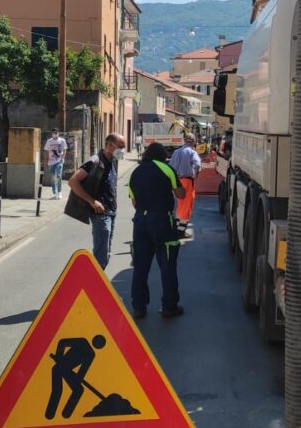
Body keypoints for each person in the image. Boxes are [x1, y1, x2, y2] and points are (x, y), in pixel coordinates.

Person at [127, 143, 186, 320]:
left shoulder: (135, 172)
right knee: (167, 265)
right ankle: (169, 306)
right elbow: (181, 194)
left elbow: (134, 202)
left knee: (140, 267)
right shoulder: (167, 169)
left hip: (140, 222)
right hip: (162, 221)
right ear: (162, 155)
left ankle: (139, 307)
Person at [67, 132, 126, 269]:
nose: (122, 150)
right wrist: (92, 201)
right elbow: (73, 181)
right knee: (101, 257)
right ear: (110, 145)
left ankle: (93, 279)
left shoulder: (113, 160)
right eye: (120, 147)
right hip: (100, 215)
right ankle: (92, 281)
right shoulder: (94, 161)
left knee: (106, 255)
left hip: (111, 212)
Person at [168, 132, 201, 225]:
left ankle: (176, 225)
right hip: (187, 181)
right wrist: (195, 174)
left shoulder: (176, 152)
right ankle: (181, 229)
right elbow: (197, 164)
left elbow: (170, 167)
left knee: (178, 204)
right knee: (186, 205)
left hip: (175, 181)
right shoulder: (192, 152)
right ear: (193, 142)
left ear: (184, 141)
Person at [44, 129, 68, 199]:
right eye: (53, 133)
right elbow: (46, 151)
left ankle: (60, 192)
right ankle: (55, 193)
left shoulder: (62, 140)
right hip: (51, 162)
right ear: (52, 133)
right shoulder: (49, 141)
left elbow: (65, 150)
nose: (54, 134)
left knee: (59, 176)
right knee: (52, 177)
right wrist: (46, 160)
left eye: (56, 132)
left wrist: (62, 158)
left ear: (58, 133)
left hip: (59, 161)